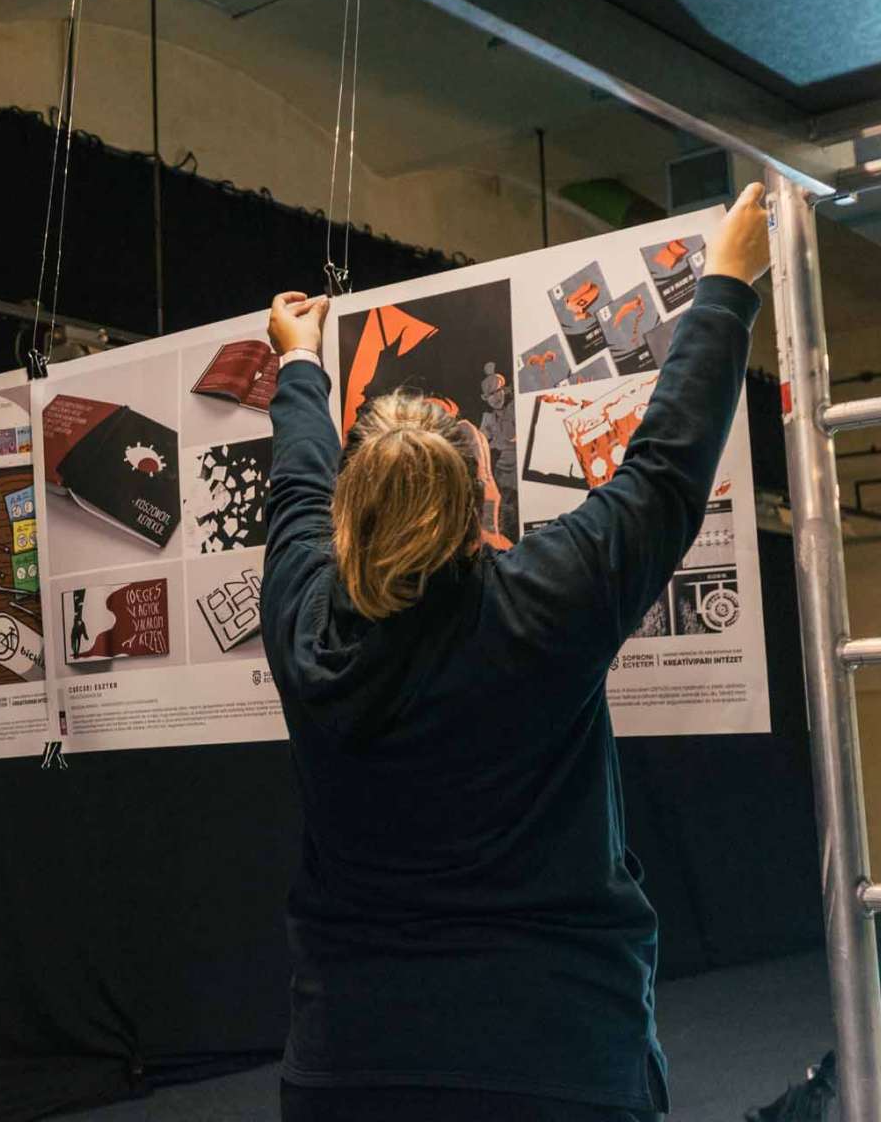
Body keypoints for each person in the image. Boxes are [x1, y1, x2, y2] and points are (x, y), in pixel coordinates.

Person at [260, 185, 772, 1121]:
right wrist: (732, 276)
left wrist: (299, 364)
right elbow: (666, 469)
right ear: (480, 507)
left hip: (350, 1062)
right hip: (557, 1057)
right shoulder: (540, 606)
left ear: (347, 520)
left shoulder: (307, 627)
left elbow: (295, 488)